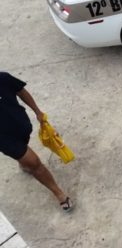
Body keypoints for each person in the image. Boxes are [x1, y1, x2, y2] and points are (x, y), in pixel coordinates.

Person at [0, 71, 72, 211]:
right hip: (4, 139)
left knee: (25, 152)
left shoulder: (2, 78)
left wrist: (38, 112)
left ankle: (23, 161)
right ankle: (59, 194)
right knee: (34, 163)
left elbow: (21, 91)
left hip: (22, 126)